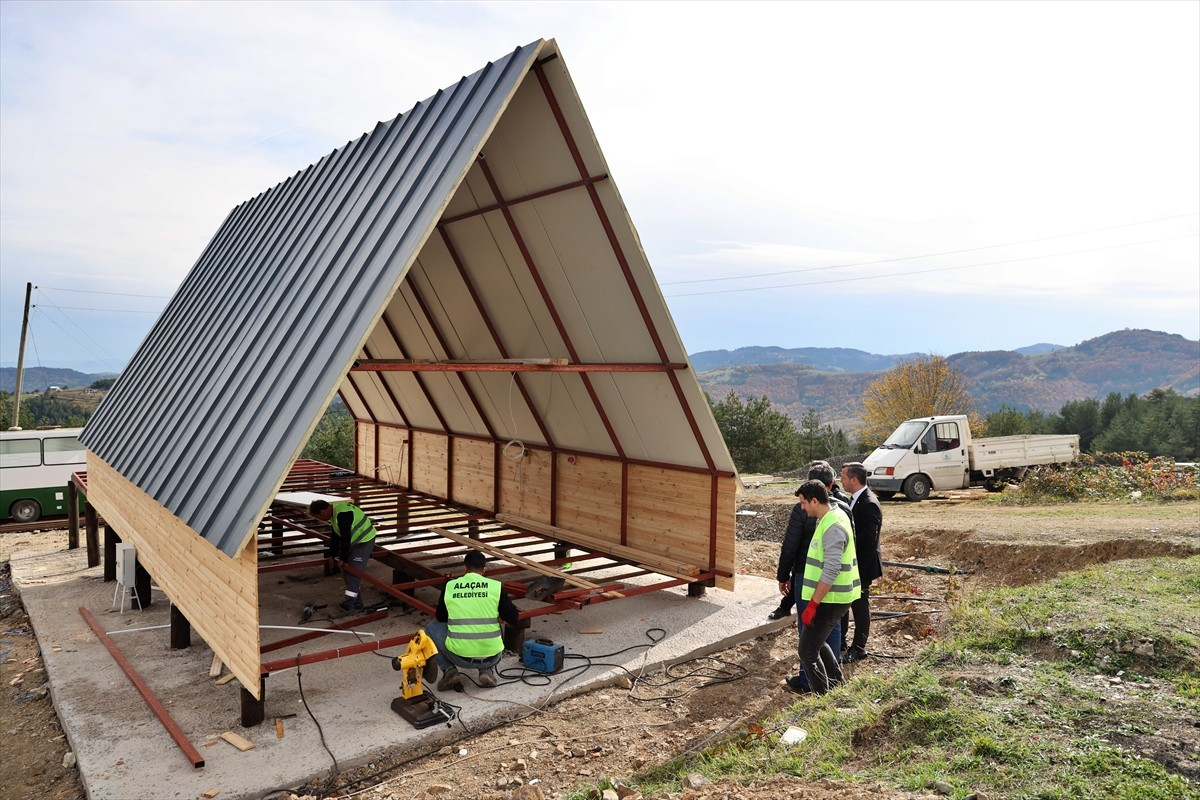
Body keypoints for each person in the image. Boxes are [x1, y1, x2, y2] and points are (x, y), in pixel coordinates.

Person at [790, 479, 861, 695]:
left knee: (807, 651)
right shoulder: (830, 516)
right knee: (818, 643)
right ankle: (838, 686)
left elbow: (831, 570)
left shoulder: (833, 526)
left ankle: (823, 698)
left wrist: (813, 604)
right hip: (832, 597)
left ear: (814, 501)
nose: (802, 507)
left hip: (832, 599)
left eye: (803, 503)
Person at [425, 550, 519, 690]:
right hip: (491, 657)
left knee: (430, 629)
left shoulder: (450, 586)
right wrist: (499, 616)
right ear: (484, 570)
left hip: (458, 656)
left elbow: (441, 617)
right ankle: (486, 671)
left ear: (465, 568)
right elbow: (514, 617)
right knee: (495, 623)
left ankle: (449, 671)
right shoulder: (496, 587)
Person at [769, 461, 852, 620]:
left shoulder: (802, 509)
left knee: (809, 625)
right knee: (831, 625)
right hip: (835, 577)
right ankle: (839, 645)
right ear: (831, 484)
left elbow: (790, 547)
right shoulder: (843, 508)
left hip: (807, 573)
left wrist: (783, 576)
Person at [839, 462, 884, 663]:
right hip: (854, 564)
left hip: (862, 566)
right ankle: (843, 642)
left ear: (854, 480)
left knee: (859, 605)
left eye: (843, 477)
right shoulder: (854, 500)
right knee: (849, 603)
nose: (841, 480)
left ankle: (859, 647)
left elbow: (867, 540)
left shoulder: (869, 504)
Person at [309, 499, 378, 611]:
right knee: (349, 571)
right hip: (356, 541)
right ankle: (356, 603)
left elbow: (345, 538)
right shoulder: (334, 513)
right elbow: (336, 536)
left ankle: (349, 605)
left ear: (323, 512)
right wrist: (331, 555)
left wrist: (343, 558)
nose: (320, 520)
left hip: (364, 540)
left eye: (319, 517)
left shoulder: (343, 514)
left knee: (353, 571)